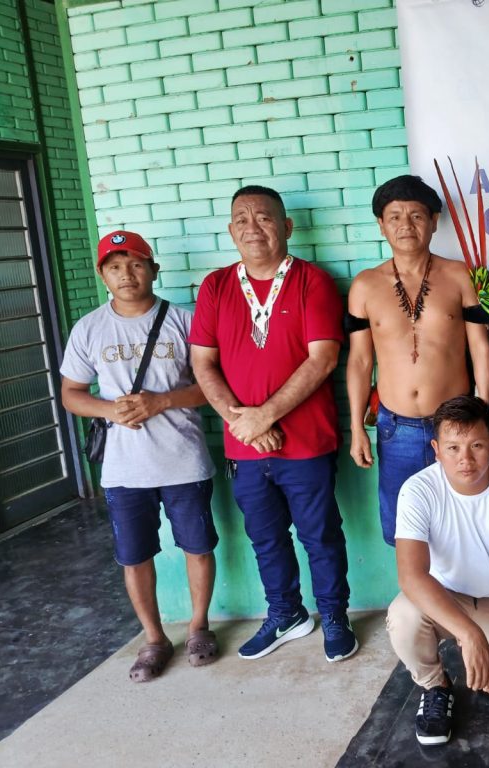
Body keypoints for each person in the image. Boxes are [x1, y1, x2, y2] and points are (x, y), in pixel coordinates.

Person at [190, 185, 357, 662]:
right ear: (231, 231)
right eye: (241, 219)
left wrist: (264, 415)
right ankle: (286, 614)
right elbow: (203, 363)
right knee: (265, 538)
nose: (252, 227)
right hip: (244, 447)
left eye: (263, 218)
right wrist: (244, 423)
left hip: (306, 443)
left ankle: (335, 616)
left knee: (320, 535)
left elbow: (323, 359)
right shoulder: (216, 286)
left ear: (286, 227)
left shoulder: (312, 281)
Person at [61, 230, 218, 682]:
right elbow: (72, 393)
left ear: (153, 269)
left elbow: (212, 386)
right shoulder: (89, 328)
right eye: (114, 267)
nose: (126, 274)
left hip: (183, 459)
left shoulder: (184, 321)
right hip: (124, 469)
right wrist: (109, 409)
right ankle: (154, 639)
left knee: (198, 547)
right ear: (103, 276)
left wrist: (162, 401)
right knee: (134, 557)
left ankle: (198, 628)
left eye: (135, 264)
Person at [387, 395, 489, 745]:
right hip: (445, 599)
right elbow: (411, 575)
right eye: (453, 448)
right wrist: (469, 635)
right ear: (436, 449)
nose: (465, 459)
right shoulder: (417, 490)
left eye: (476, 446)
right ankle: (436, 686)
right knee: (403, 618)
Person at [346, 175, 489, 546]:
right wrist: (356, 427)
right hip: (396, 428)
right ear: (381, 225)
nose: (405, 225)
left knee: (465, 526)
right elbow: (360, 361)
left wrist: (483, 411)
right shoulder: (364, 285)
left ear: (434, 221)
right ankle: (416, 587)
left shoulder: (458, 275)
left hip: (456, 427)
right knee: (405, 532)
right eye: (394, 217)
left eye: (416, 216)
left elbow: (480, 346)